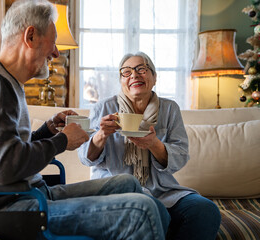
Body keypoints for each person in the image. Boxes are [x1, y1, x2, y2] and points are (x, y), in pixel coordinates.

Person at [0, 1, 170, 239]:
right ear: (30, 36)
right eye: (53, 42)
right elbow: (4, 167)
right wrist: (62, 141)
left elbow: (4, 147)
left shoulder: (6, 82)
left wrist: (47, 131)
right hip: (8, 209)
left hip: (29, 194)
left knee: (127, 183)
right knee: (141, 211)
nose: (56, 53)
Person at [78, 51, 221, 240]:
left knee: (205, 210)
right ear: (120, 81)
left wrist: (154, 144)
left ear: (154, 78)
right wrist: (101, 134)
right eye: (126, 72)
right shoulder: (103, 108)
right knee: (152, 209)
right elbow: (85, 157)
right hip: (119, 189)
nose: (134, 76)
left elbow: (180, 156)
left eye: (141, 69)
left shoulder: (169, 109)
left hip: (163, 190)